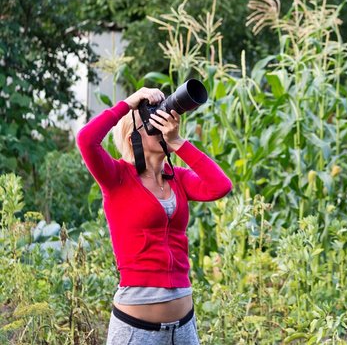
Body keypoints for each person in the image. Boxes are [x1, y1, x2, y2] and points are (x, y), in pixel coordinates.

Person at [76, 87, 232, 344]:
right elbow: (86, 140)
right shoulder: (117, 178)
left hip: (183, 327)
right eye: (153, 122)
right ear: (132, 137)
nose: (162, 126)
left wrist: (179, 143)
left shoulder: (178, 178)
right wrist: (128, 104)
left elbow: (220, 186)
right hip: (136, 330)